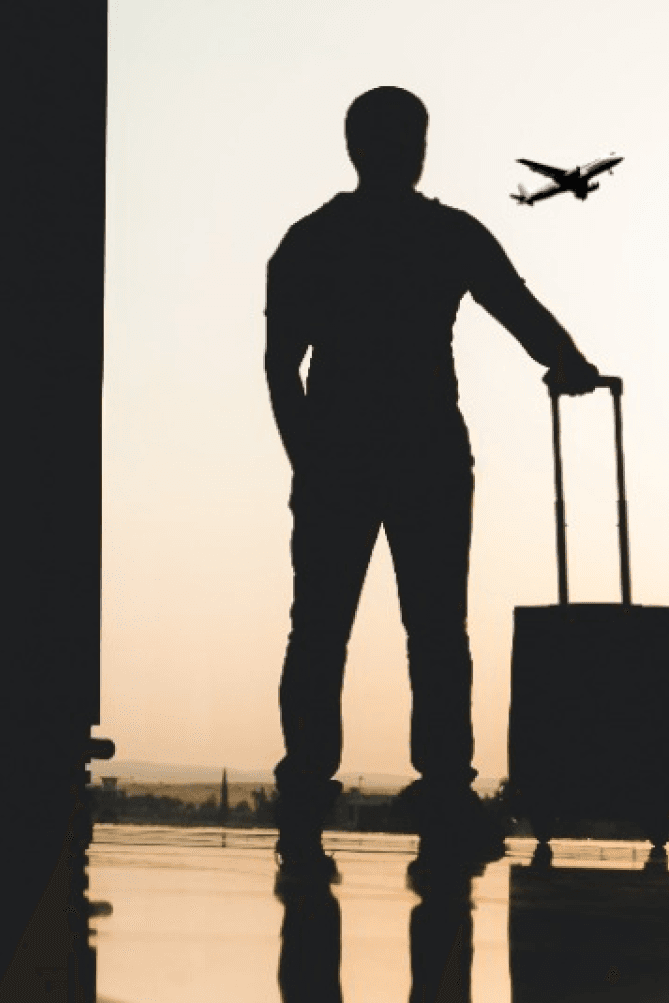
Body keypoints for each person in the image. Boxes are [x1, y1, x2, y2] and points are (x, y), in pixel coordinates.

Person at [265, 86, 602, 876]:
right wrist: (570, 364)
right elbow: (515, 307)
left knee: (318, 633)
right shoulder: (446, 233)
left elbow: (283, 366)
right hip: (426, 452)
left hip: (338, 455)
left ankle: (306, 793)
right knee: (437, 633)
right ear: (416, 148)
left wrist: (306, 461)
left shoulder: (311, 241)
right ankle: (445, 789)